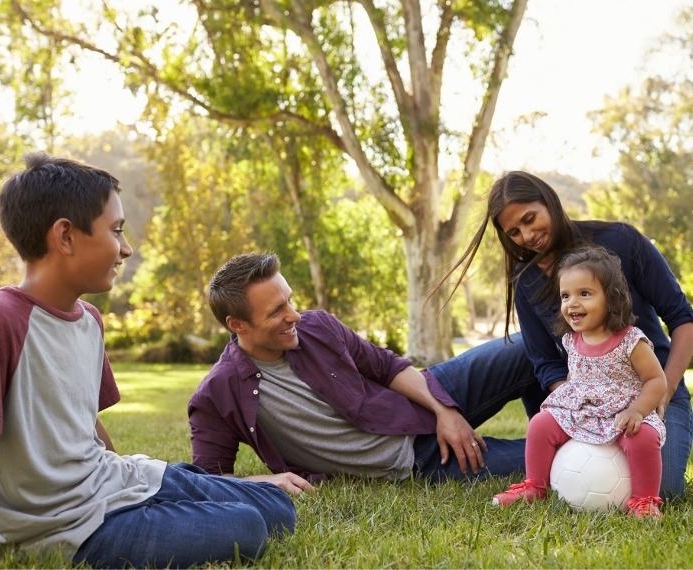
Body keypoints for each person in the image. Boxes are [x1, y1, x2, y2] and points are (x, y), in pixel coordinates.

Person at [0, 154, 295, 569]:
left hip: (112, 481)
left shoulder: (89, 322)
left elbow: (86, 425)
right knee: (249, 527)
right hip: (68, 524)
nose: (127, 248)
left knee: (280, 508)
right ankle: (195, 494)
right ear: (65, 236)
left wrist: (137, 485)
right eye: (116, 231)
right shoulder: (2, 319)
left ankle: (200, 487)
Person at [436, 171, 693, 499]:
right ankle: (536, 469)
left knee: (665, 489)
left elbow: (683, 319)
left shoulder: (622, 241)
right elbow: (544, 362)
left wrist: (663, 392)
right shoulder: (526, 280)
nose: (527, 236)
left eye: (530, 219)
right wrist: (580, 407)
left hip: (651, 391)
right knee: (570, 471)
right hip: (585, 400)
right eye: (514, 232)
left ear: (549, 201)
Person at [188, 252, 533, 492]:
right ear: (238, 324)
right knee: (550, 457)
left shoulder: (317, 326)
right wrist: (261, 480)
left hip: (424, 393)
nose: (294, 315)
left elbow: (387, 367)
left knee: (531, 344)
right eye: (277, 311)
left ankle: (573, 410)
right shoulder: (216, 394)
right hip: (418, 459)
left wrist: (444, 409)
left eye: (290, 300)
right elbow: (206, 479)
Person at [492, 246, 666, 518]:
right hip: (583, 409)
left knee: (643, 438)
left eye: (584, 294)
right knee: (540, 424)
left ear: (611, 298)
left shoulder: (631, 340)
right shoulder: (571, 340)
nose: (572, 303)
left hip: (622, 411)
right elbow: (578, 377)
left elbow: (656, 380)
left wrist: (639, 411)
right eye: (565, 295)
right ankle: (534, 486)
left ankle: (644, 500)